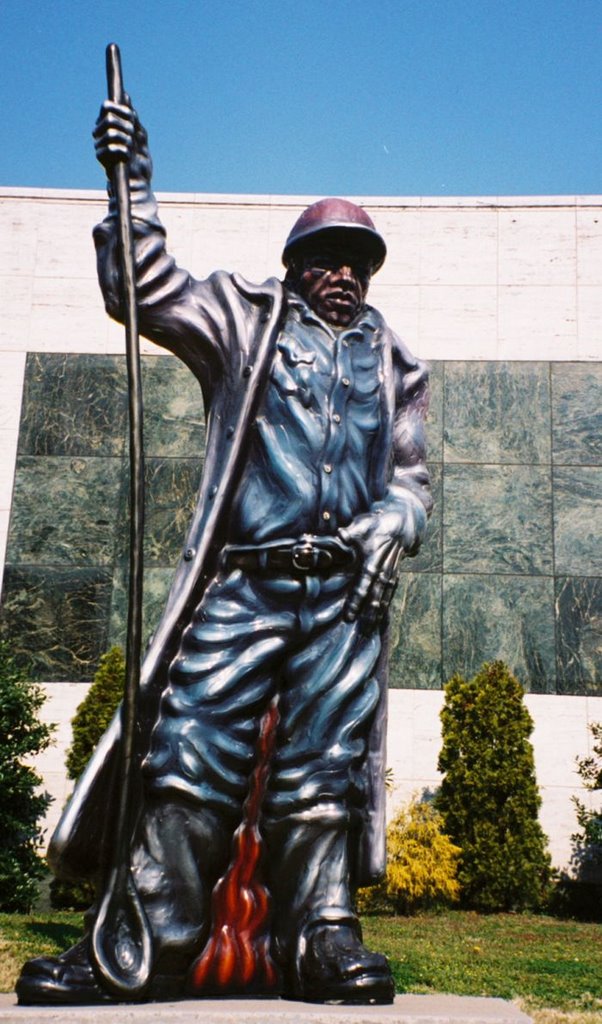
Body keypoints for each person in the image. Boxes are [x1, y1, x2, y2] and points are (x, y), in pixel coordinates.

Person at [17, 97, 432, 1007]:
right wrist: (135, 185)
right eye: (326, 259)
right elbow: (144, 288)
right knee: (191, 751)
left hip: (343, 602)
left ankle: (322, 936)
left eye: (357, 262)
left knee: (326, 767)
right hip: (244, 586)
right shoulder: (243, 322)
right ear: (295, 265)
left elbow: (411, 478)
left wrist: (396, 520)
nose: (343, 275)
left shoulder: (397, 364)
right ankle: (149, 939)